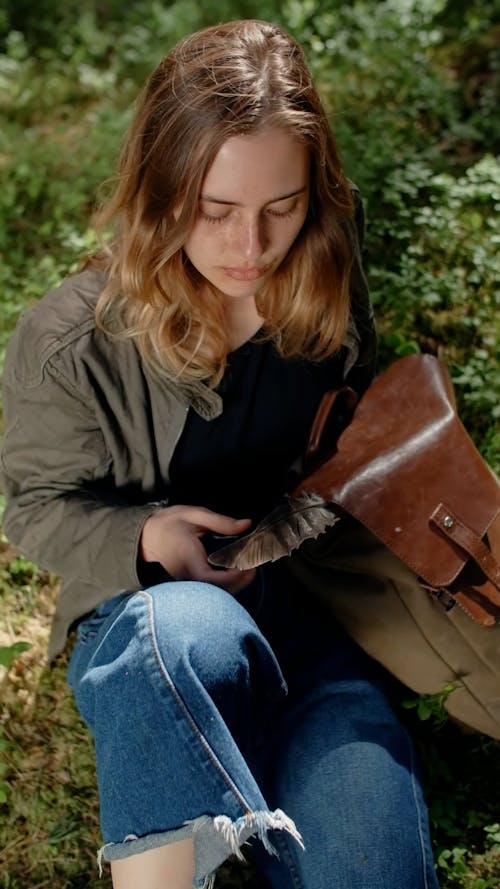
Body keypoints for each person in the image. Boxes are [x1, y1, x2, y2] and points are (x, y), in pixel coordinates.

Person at [0, 18, 439, 889]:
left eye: (283, 207)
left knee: (369, 863)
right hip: (155, 627)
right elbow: (31, 505)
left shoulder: (323, 270)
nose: (252, 247)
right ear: (164, 191)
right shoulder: (70, 339)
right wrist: (149, 538)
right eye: (217, 210)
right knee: (178, 629)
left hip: (311, 622)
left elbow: (344, 436)